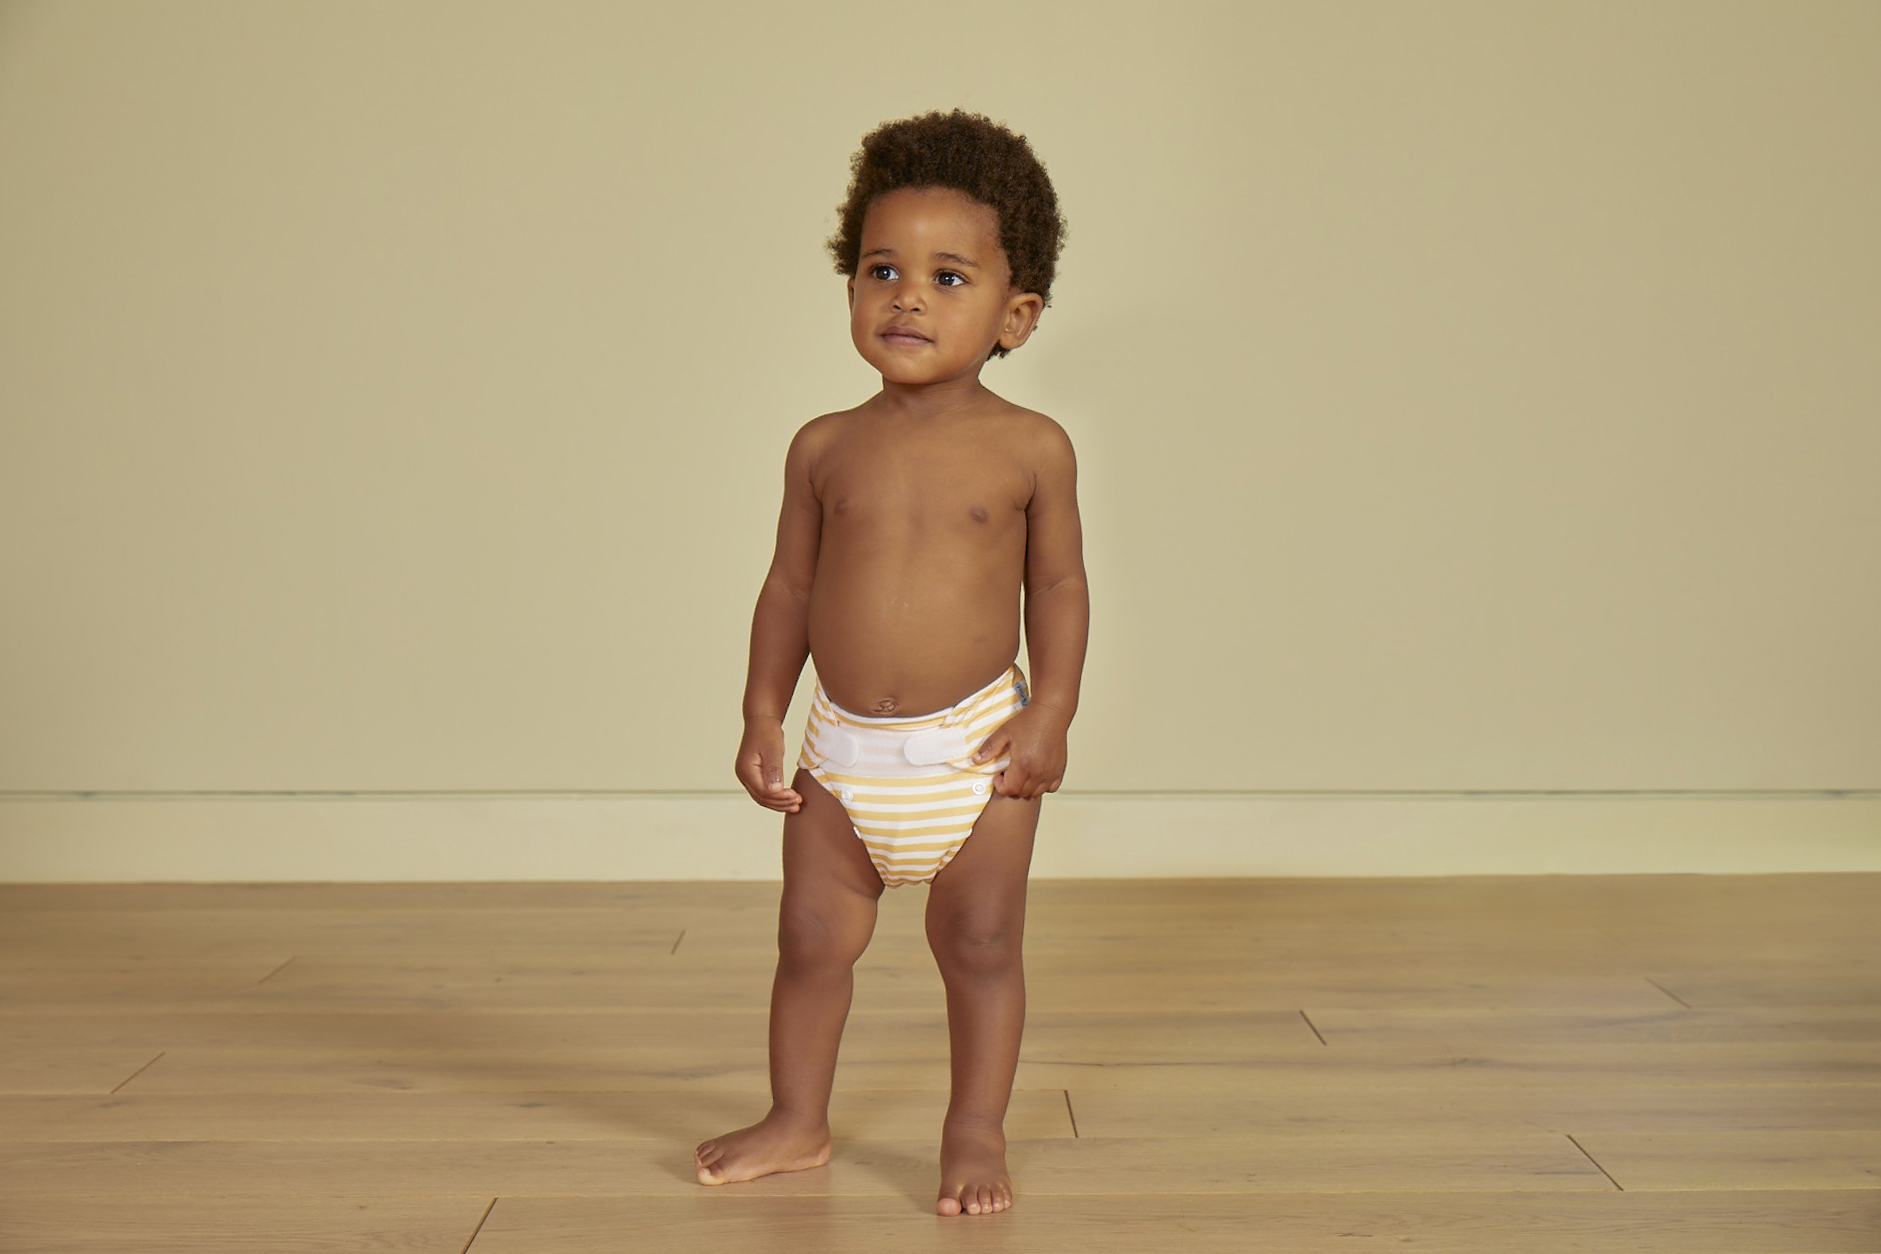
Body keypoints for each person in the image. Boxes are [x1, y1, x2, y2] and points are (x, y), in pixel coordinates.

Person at [693, 109, 1089, 1217]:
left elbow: (1056, 587)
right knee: (812, 939)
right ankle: (797, 1119)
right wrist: (763, 712)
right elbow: (788, 588)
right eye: (882, 269)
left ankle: (972, 1133)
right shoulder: (823, 446)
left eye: (949, 277)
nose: (907, 295)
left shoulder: (1030, 448)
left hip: (977, 748)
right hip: (842, 748)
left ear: (1017, 315)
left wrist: (1051, 711)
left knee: (981, 943)